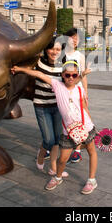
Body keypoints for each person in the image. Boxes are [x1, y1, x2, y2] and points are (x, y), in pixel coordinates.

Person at [12, 61, 98, 194]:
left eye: (74, 75)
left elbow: (84, 107)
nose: (70, 77)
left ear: (77, 76)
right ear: (62, 75)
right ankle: (58, 177)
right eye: (67, 74)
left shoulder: (79, 89)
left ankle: (92, 180)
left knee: (91, 152)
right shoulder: (57, 85)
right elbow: (38, 74)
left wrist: (91, 124)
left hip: (85, 126)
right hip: (68, 131)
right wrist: (19, 68)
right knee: (62, 159)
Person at [30, 37, 65, 177]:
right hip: (42, 106)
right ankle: (41, 155)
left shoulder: (63, 65)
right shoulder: (38, 63)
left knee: (57, 139)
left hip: (57, 107)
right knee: (49, 140)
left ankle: (53, 168)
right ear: (46, 49)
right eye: (52, 48)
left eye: (57, 49)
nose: (54, 52)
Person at [62, 28, 88, 163]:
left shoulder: (80, 56)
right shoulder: (60, 54)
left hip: (77, 91)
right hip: (63, 91)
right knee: (63, 118)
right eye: (72, 37)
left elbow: (83, 76)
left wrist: (85, 93)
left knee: (78, 119)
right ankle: (56, 146)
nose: (75, 40)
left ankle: (77, 150)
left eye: (77, 38)